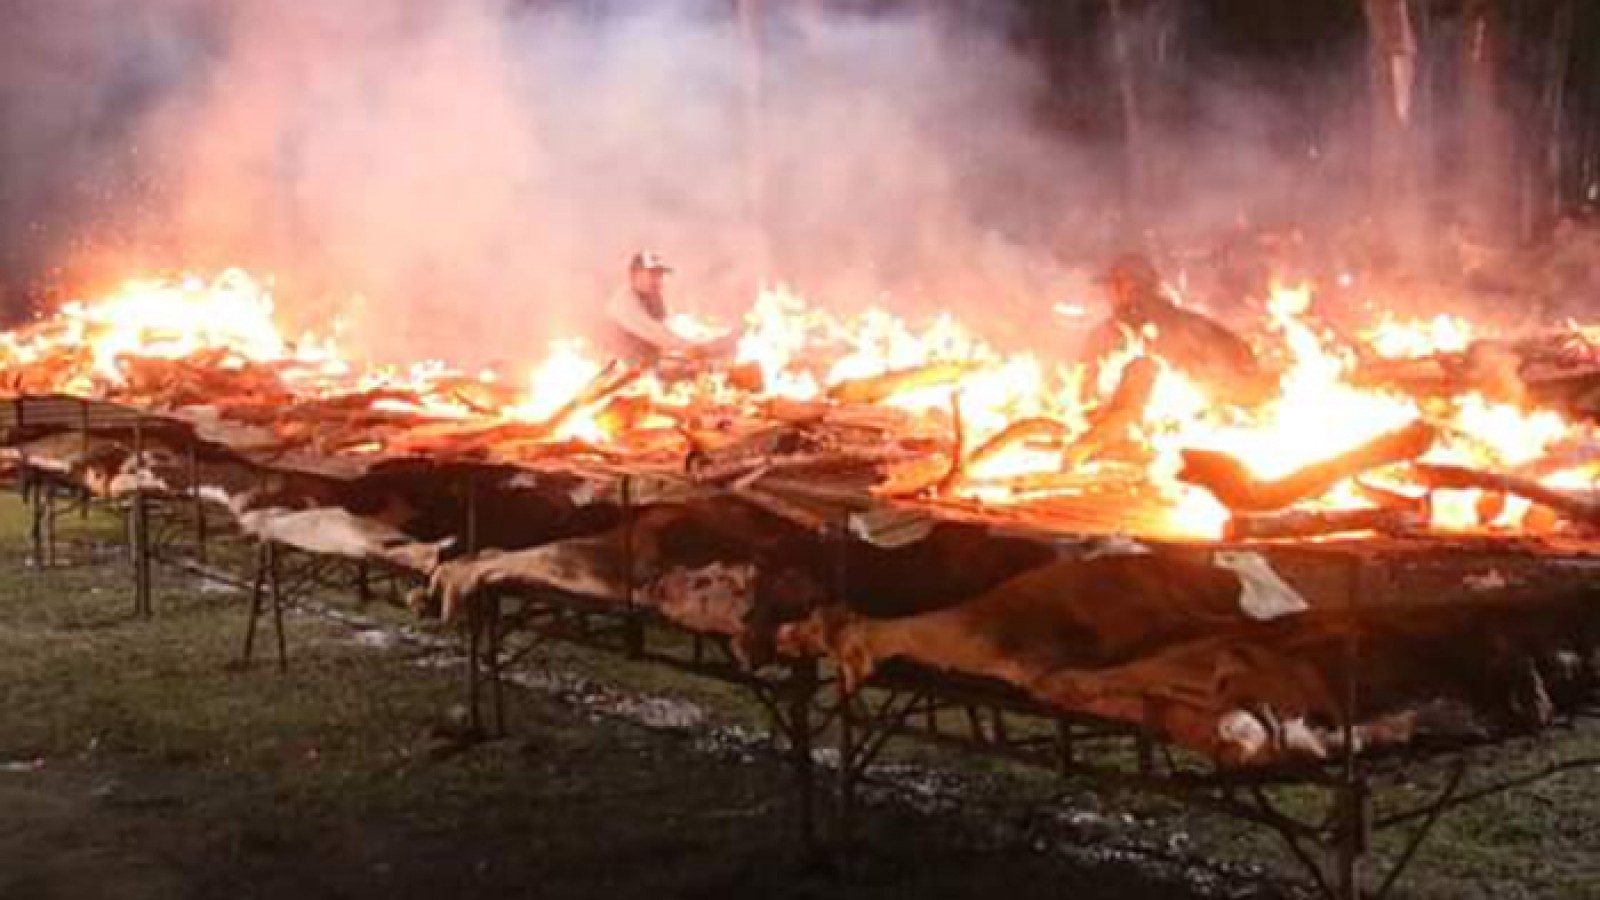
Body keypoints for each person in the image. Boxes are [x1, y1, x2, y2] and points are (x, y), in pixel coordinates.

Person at [1081, 252, 1272, 405]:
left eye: (1114, 286)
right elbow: (1083, 395)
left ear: (1130, 287)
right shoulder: (1102, 337)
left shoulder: (1193, 329)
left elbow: (1245, 369)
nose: (1109, 294)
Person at [601, 250, 704, 366]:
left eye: (660, 275)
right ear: (635, 275)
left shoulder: (653, 298)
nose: (658, 280)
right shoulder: (623, 303)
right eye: (652, 274)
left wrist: (696, 340)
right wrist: (696, 347)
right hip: (615, 367)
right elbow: (655, 333)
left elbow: (668, 326)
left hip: (643, 364)